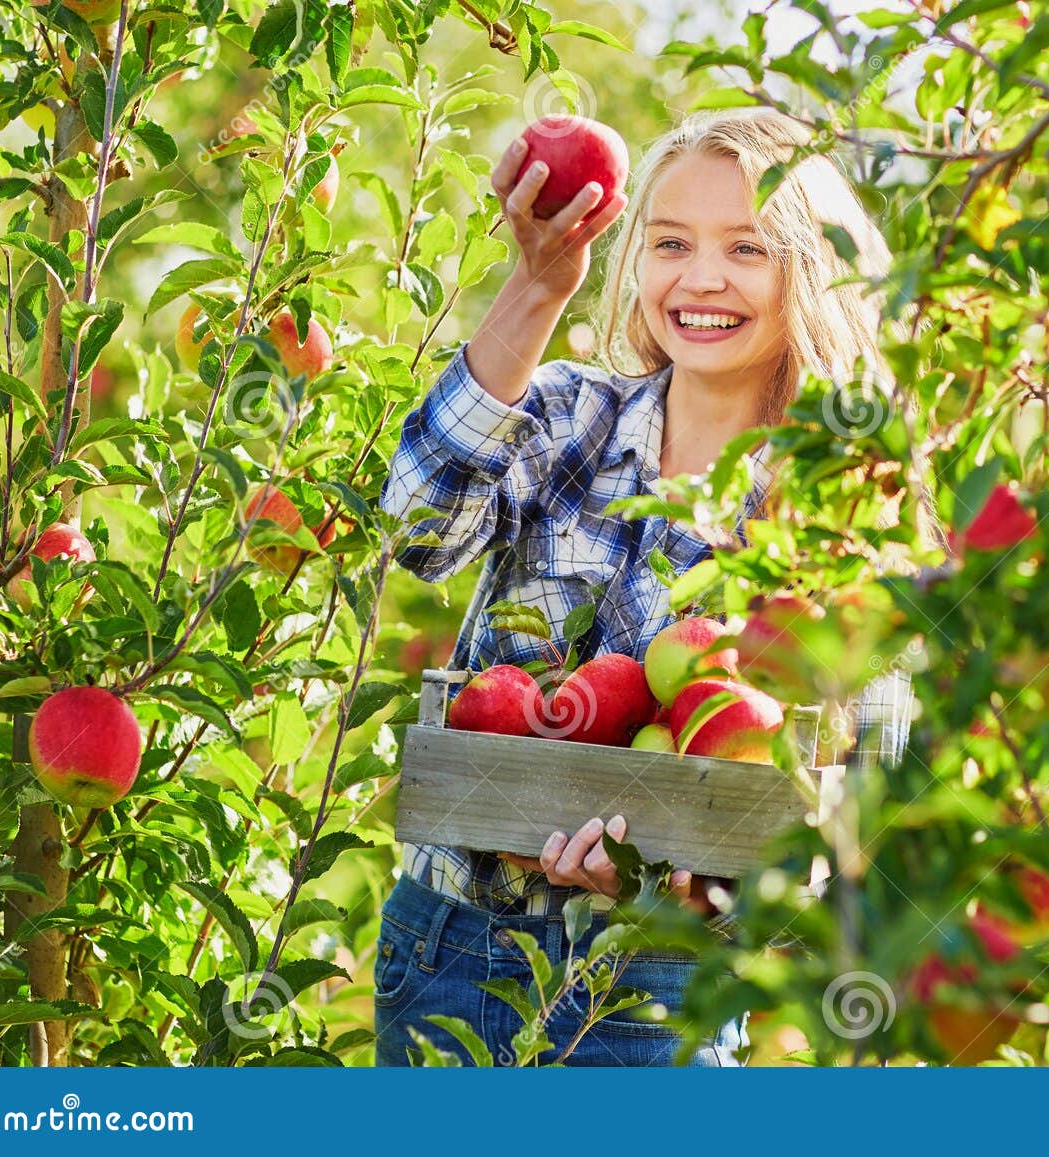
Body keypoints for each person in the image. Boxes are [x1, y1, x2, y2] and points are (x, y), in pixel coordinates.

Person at [374, 108, 918, 1067]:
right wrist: (537, 287)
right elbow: (416, 532)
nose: (701, 278)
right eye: (671, 242)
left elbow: (865, 811)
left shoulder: (841, 509)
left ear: (811, 269)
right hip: (451, 944)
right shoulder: (566, 418)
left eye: (746, 247)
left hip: (659, 992)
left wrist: (687, 889)